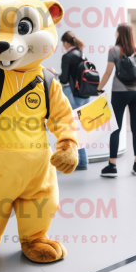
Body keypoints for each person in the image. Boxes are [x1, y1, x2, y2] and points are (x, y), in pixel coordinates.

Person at [97, 23, 136, 178]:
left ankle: (112, 166)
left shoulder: (114, 50)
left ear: (119, 33)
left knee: (116, 128)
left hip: (120, 92)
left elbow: (108, 73)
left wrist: (99, 88)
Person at [48, 31, 88, 170]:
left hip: (72, 95)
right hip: (84, 95)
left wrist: (54, 74)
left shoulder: (67, 56)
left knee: (72, 128)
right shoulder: (82, 54)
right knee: (79, 128)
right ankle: (83, 161)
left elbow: (64, 79)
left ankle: (81, 161)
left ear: (65, 43)